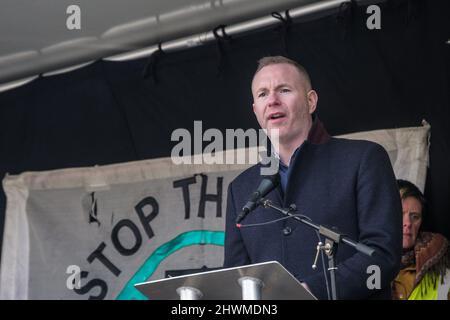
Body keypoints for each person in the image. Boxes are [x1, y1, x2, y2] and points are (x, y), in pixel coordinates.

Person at [223, 55, 402, 299]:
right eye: (263, 94)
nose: (273, 100)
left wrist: (311, 291)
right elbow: (237, 276)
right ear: (256, 110)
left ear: (311, 101)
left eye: (284, 90)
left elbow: (383, 256)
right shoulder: (240, 188)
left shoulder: (364, 159)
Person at [392, 179, 450, 300]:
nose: (408, 223)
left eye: (415, 217)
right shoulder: (361, 262)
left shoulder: (441, 267)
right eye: (399, 213)